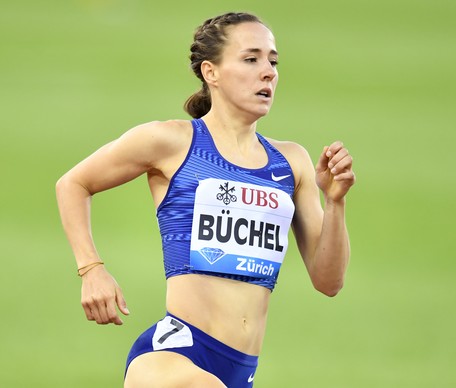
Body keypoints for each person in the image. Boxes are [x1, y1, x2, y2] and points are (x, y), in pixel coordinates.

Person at [56, 11, 355, 388]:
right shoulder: (172, 142)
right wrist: (91, 269)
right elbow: (73, 184)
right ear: (211, 72)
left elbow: (329, 281)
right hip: (172, 360)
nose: (268, 72)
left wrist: (335, 202)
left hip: (239, 371)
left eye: (272, 61)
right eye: (251, 59)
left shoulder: (290, 162)